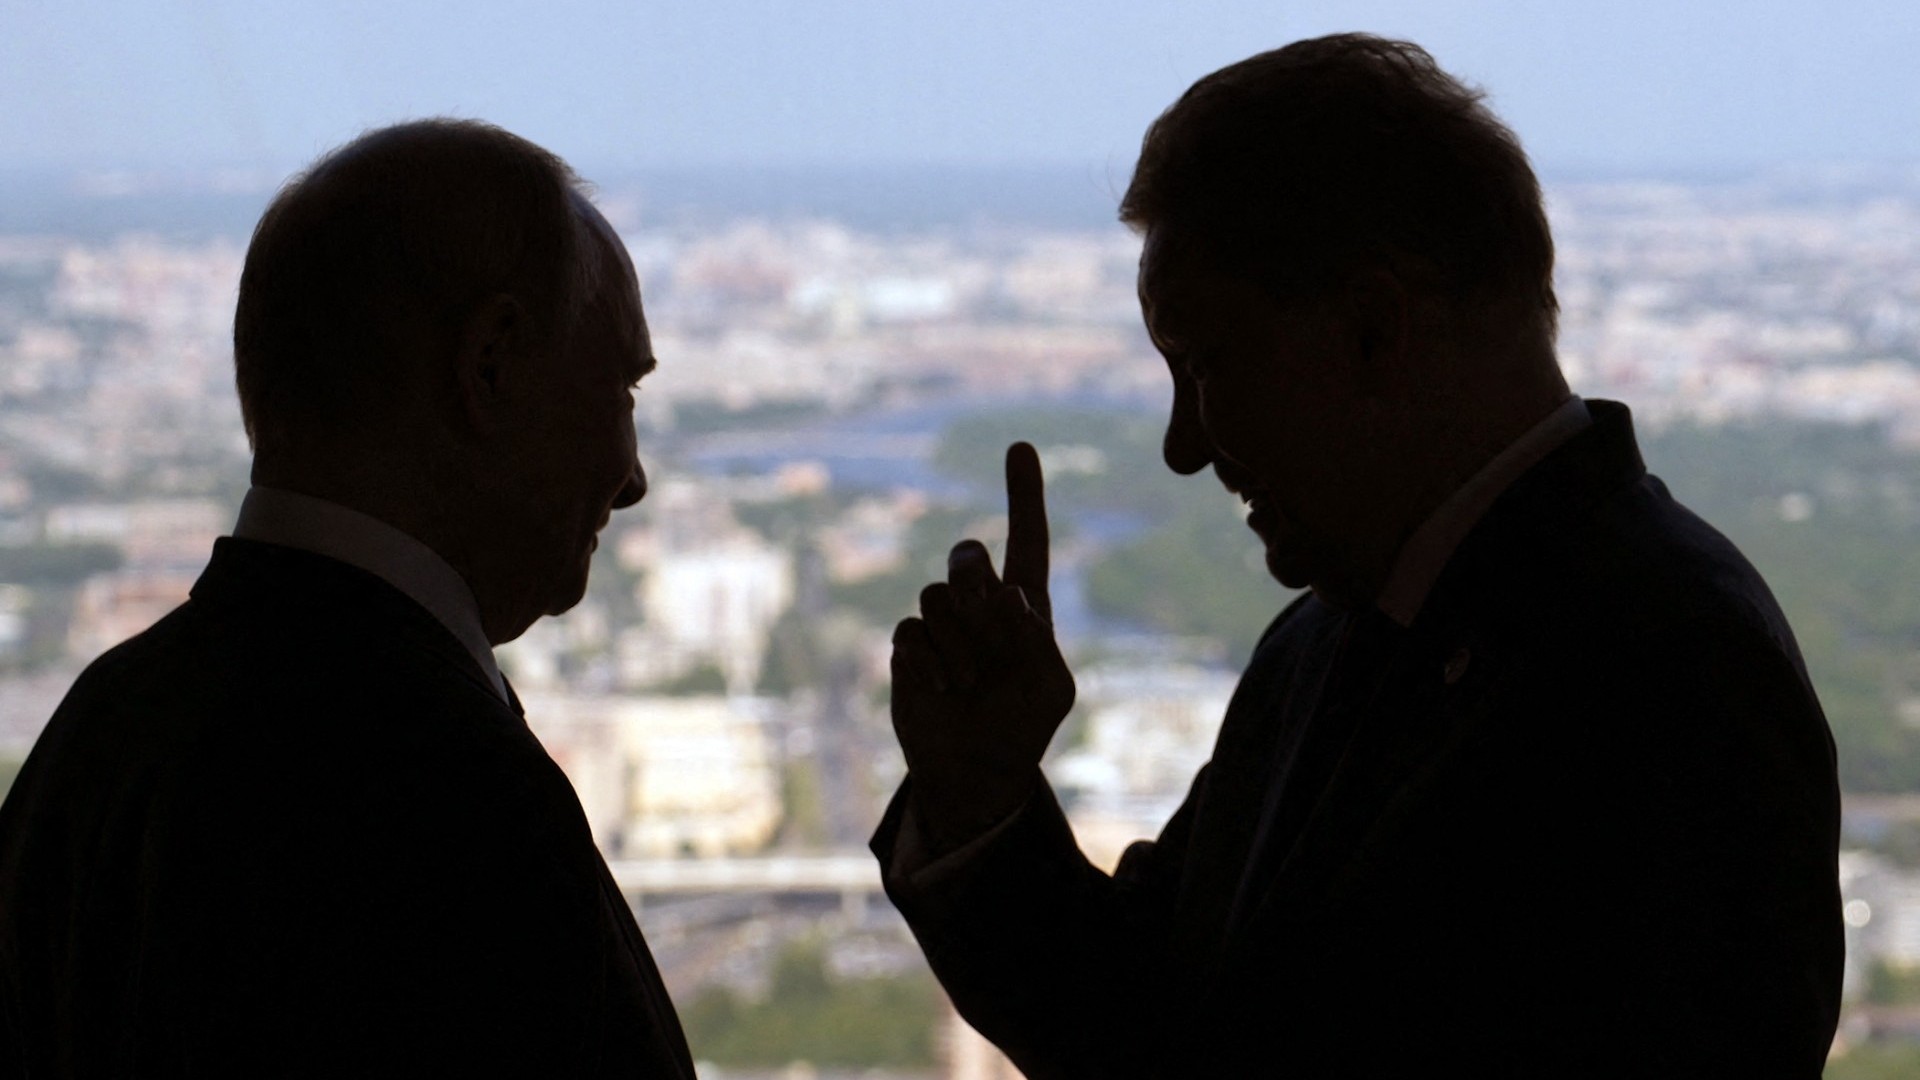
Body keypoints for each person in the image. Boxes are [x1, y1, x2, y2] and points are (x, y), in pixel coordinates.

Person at [876, 34, 1843, 1078]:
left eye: (1207, 365)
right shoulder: (1335, 636)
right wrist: (986, 800)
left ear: (1375, 328)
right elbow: (1154, 1022)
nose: (1182, 446)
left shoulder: (1670, 678)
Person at [0, 120, 695, 1077]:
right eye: (619, 387)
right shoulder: (448, 792)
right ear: (490, 366)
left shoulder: (99, 733)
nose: (633, 478)